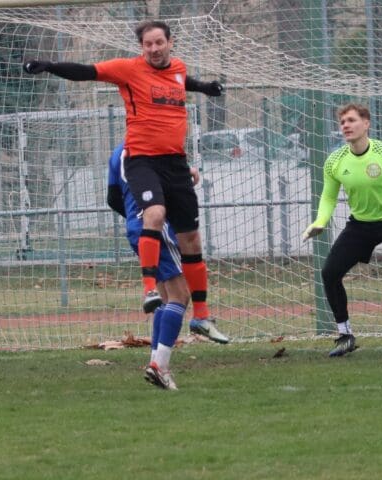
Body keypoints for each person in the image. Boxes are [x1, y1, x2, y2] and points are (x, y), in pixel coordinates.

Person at [23, 20, 223, 317]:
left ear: (170, 43)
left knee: (191, 239)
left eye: (159, 42)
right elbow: (87, 71)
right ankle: (148, 289)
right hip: (142, 160)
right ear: (141, 47)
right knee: (155, 214)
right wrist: (50, 66)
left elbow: (182, 81)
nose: (154, 49)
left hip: (176, 162)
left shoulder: (178, 69)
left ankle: (202, 316)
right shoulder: (128, 69)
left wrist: (205, 87)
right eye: (148, 44)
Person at [303, 103, 382, 356]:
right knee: (330, 272)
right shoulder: (335, 160)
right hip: (360, 224)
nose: (345, 125)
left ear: (366, 123)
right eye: (342, 122)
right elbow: (328, 197)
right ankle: (345, 335)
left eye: (351, 120)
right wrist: (320, 221)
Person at [108, 143, 229, 390]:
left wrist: (134, 217)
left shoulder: (117, 153)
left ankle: (156, 362)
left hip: (137, 229)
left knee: (165, 298)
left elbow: (112, 198)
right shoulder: (154, 149)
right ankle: (159, 366)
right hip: (157, 228)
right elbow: (167, 185)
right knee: (180, 294)